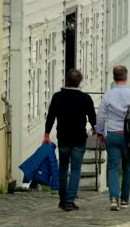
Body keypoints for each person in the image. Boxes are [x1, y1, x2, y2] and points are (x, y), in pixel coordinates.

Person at [95, 65, 130, 211]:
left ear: (114, 77)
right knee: (128, 168)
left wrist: (100, 132)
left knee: (112, 167)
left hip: (112, 135)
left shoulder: (108, 95)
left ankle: (113, 198)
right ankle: (124, 200)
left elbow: (100, 116)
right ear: (126, 77)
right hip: (129, 137)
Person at [44, 69, 97, 212]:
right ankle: (69, 200)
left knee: (63, 167)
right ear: (79, 82)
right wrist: (97, 130)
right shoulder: (85, 98)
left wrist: (47, 134)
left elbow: (50, 117)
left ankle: (62, 199)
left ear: (66, 80)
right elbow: (93, 118)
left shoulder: (57, 97)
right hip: (79, 139)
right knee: (75, 169)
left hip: (63, 138)